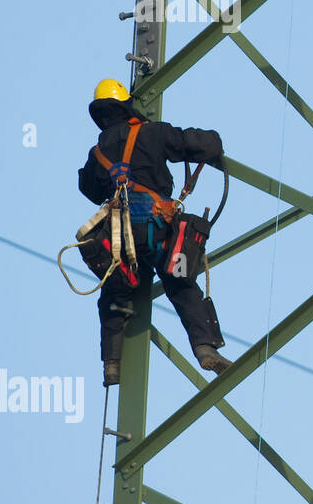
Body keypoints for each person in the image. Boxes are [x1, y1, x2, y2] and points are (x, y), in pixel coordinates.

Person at [78, 78, 233, 387]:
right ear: (127, 106)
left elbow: (88, 188)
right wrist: (214, 140)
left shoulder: (97, 152)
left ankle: (111, 364)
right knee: (180, 283)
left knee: (114, 291)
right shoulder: (153, 133)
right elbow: (205, 145)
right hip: (156, 231)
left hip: (117, 238)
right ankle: (204, 347)